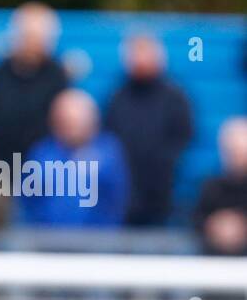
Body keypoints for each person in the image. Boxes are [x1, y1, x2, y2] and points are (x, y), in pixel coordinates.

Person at [104, 33, 194, 227]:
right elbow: (109, 138)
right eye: (135, 54)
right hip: (124, 189)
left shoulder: (175, 98)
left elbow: (183, 137)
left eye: (146, 53)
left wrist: (163, 164)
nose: (140, 60)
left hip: (160, 190)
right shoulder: (117, 97)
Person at [0, 2, 69, 175]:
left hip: (44, 169)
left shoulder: (58, 76)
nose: (32, 43)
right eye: (27, 35)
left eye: (38, 36)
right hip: (1, 163)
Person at [20, 89, 129, 228]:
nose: (73, 129)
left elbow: (117, 199)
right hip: (47, 241)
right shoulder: (41, 153)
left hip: (98, 241)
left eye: (78, 122)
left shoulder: (109, 153)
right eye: (67, 122)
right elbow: (28, 201)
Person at [192, 117, 247, 256]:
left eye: (241, 152)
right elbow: (196, 219)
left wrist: (241, 227)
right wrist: (213, 226)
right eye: (232, 151)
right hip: (212, 261)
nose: (237, 158)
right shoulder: (211, 186)